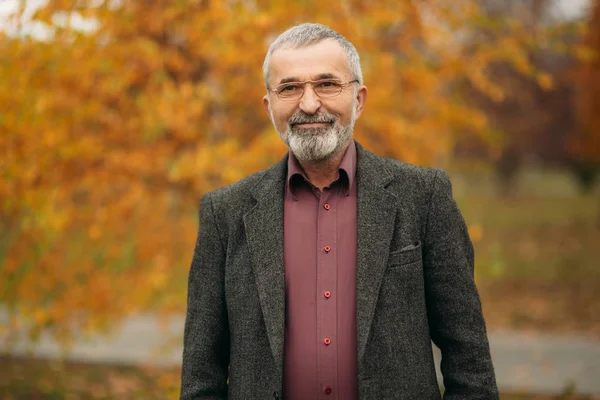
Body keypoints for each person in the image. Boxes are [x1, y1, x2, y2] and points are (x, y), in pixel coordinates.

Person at [180, 23, 498, 400]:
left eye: (327, 84)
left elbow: (470, 361)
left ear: (359, 99)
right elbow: (202, 375)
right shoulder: (225, 213)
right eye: (290, 87)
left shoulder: (423, 197)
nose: (309, 103)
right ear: (269, 106)